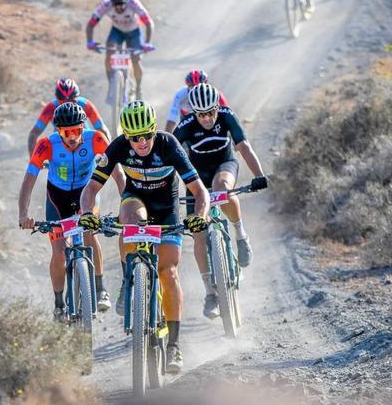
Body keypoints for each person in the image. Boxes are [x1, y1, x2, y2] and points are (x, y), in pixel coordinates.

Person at [78, 100, 209, 374]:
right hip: (136, 199)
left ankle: (174, 345)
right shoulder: (117, 146)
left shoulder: (169, 145)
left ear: (154, 130)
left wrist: (201, 216)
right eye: (134, 137)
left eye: (147, 135)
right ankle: (129, 282)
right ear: (127, 136)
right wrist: (87, 212)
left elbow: (199, 191)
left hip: (167, 208)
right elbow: (90, 188)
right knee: (129, 218)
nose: (141, 142)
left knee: (168, 272)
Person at [18, 102, 125, 320]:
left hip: (86, 194)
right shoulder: (46, 144)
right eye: (66, 132)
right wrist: (23, 214)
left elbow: (118, 174)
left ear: (83, 127)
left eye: (77, 130)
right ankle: (59, 304)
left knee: (89, 232)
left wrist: (127, 205)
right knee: (58, 253)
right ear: (58, 131)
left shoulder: (95, 139)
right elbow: (29, 180)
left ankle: (99, 288)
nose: (72, 137)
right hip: (57, 200)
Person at [172, 83, 269, 319]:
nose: (206, 119)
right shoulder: (185, 126)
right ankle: (210, 293)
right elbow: (168, 159)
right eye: (201, 114)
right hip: (197, 176)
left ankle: (240, 234)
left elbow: (243, 147)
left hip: (224, 164)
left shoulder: (227, 116)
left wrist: (258, 175)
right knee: (198, 232)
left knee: (222, 187)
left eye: (211, 113)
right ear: (193, 112)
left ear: (218, 107)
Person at [85, 0, 156, 100]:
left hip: (134, 32)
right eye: (115, 4)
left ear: (125, 1)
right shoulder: (106, 5)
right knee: (109, 52)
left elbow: (148, 23)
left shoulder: (133, 3)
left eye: (121, 4)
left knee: (135, 59)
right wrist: (89, 41)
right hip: (117, 31)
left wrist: (147, 43)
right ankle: (112, 86)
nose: (118, 7)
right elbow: (91, 24)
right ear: (111, 3)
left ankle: (138, 89)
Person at [28, 78, 109, 154]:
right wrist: (35, 159)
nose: (68, 105)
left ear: (77, 97)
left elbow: (102, 130)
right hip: (61, 144)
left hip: (83, 142)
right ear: (57, 98)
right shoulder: (50, 109)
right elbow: (33, 134)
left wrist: (110, 156)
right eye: (63, 102)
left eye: (72, 101)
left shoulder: (86, 105)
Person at [164, 70, 230, 132]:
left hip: (211, 121)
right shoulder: (180, 95)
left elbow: (227, 114)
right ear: (187, 86)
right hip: (189, 122)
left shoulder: (215, 93)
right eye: (193, 86)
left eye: (199, 85)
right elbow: (171, 119)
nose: (196, 89)